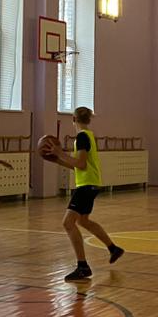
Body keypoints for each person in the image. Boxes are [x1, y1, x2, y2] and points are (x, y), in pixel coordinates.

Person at [48, 107, 125, 282]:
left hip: (86, 185)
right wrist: (58, 160)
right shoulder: (88, 135)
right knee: (83, 221)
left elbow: (81, 164)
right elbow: (79, 165)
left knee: (68, 223)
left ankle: (82, 266)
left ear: (73, 119)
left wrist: (61, 153)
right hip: (91, 184)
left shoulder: (82, 137)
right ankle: (113, 248)